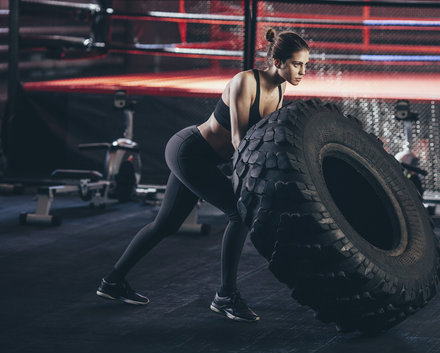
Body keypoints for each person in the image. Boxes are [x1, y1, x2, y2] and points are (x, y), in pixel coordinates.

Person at [96, 29, 310, 323]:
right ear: (278, 60)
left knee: (165, 224)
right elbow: (239, 140)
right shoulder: (245, 82)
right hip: (188, 151)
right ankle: (225, 296)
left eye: (305, 65)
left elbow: (263, 140)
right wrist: (249, 183)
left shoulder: (281, 90)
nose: (303, 71)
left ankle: (112, 282)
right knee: (238, 213)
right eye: (297, 64)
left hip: (208, 161)